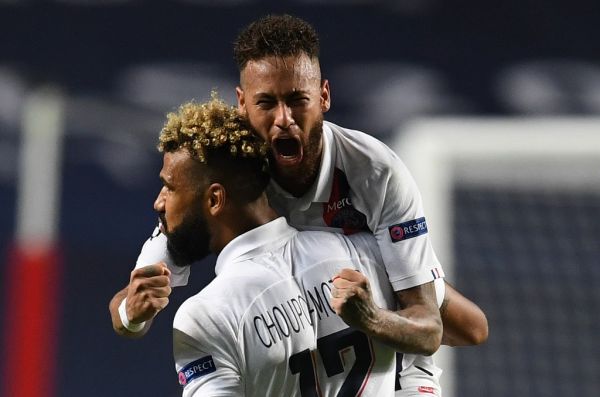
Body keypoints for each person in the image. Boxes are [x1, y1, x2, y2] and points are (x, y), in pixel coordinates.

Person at [109, 13, 487, 395]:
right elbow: (128, 310)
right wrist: (133, 314)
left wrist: (371, 317)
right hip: (316, 295)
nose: (283, 120)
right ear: (242, 104)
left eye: (297, 101)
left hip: (376, 308)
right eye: (266, 103)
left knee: (470, 325)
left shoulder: (375, 171)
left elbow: (431, 328)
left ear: (323, 96)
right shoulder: (236, 168)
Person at [152, 97, 441, 396]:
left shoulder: (204, 317)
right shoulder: (367, 254)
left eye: (169, 188)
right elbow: (460, 328)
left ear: (214, 200)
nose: (158, 202)